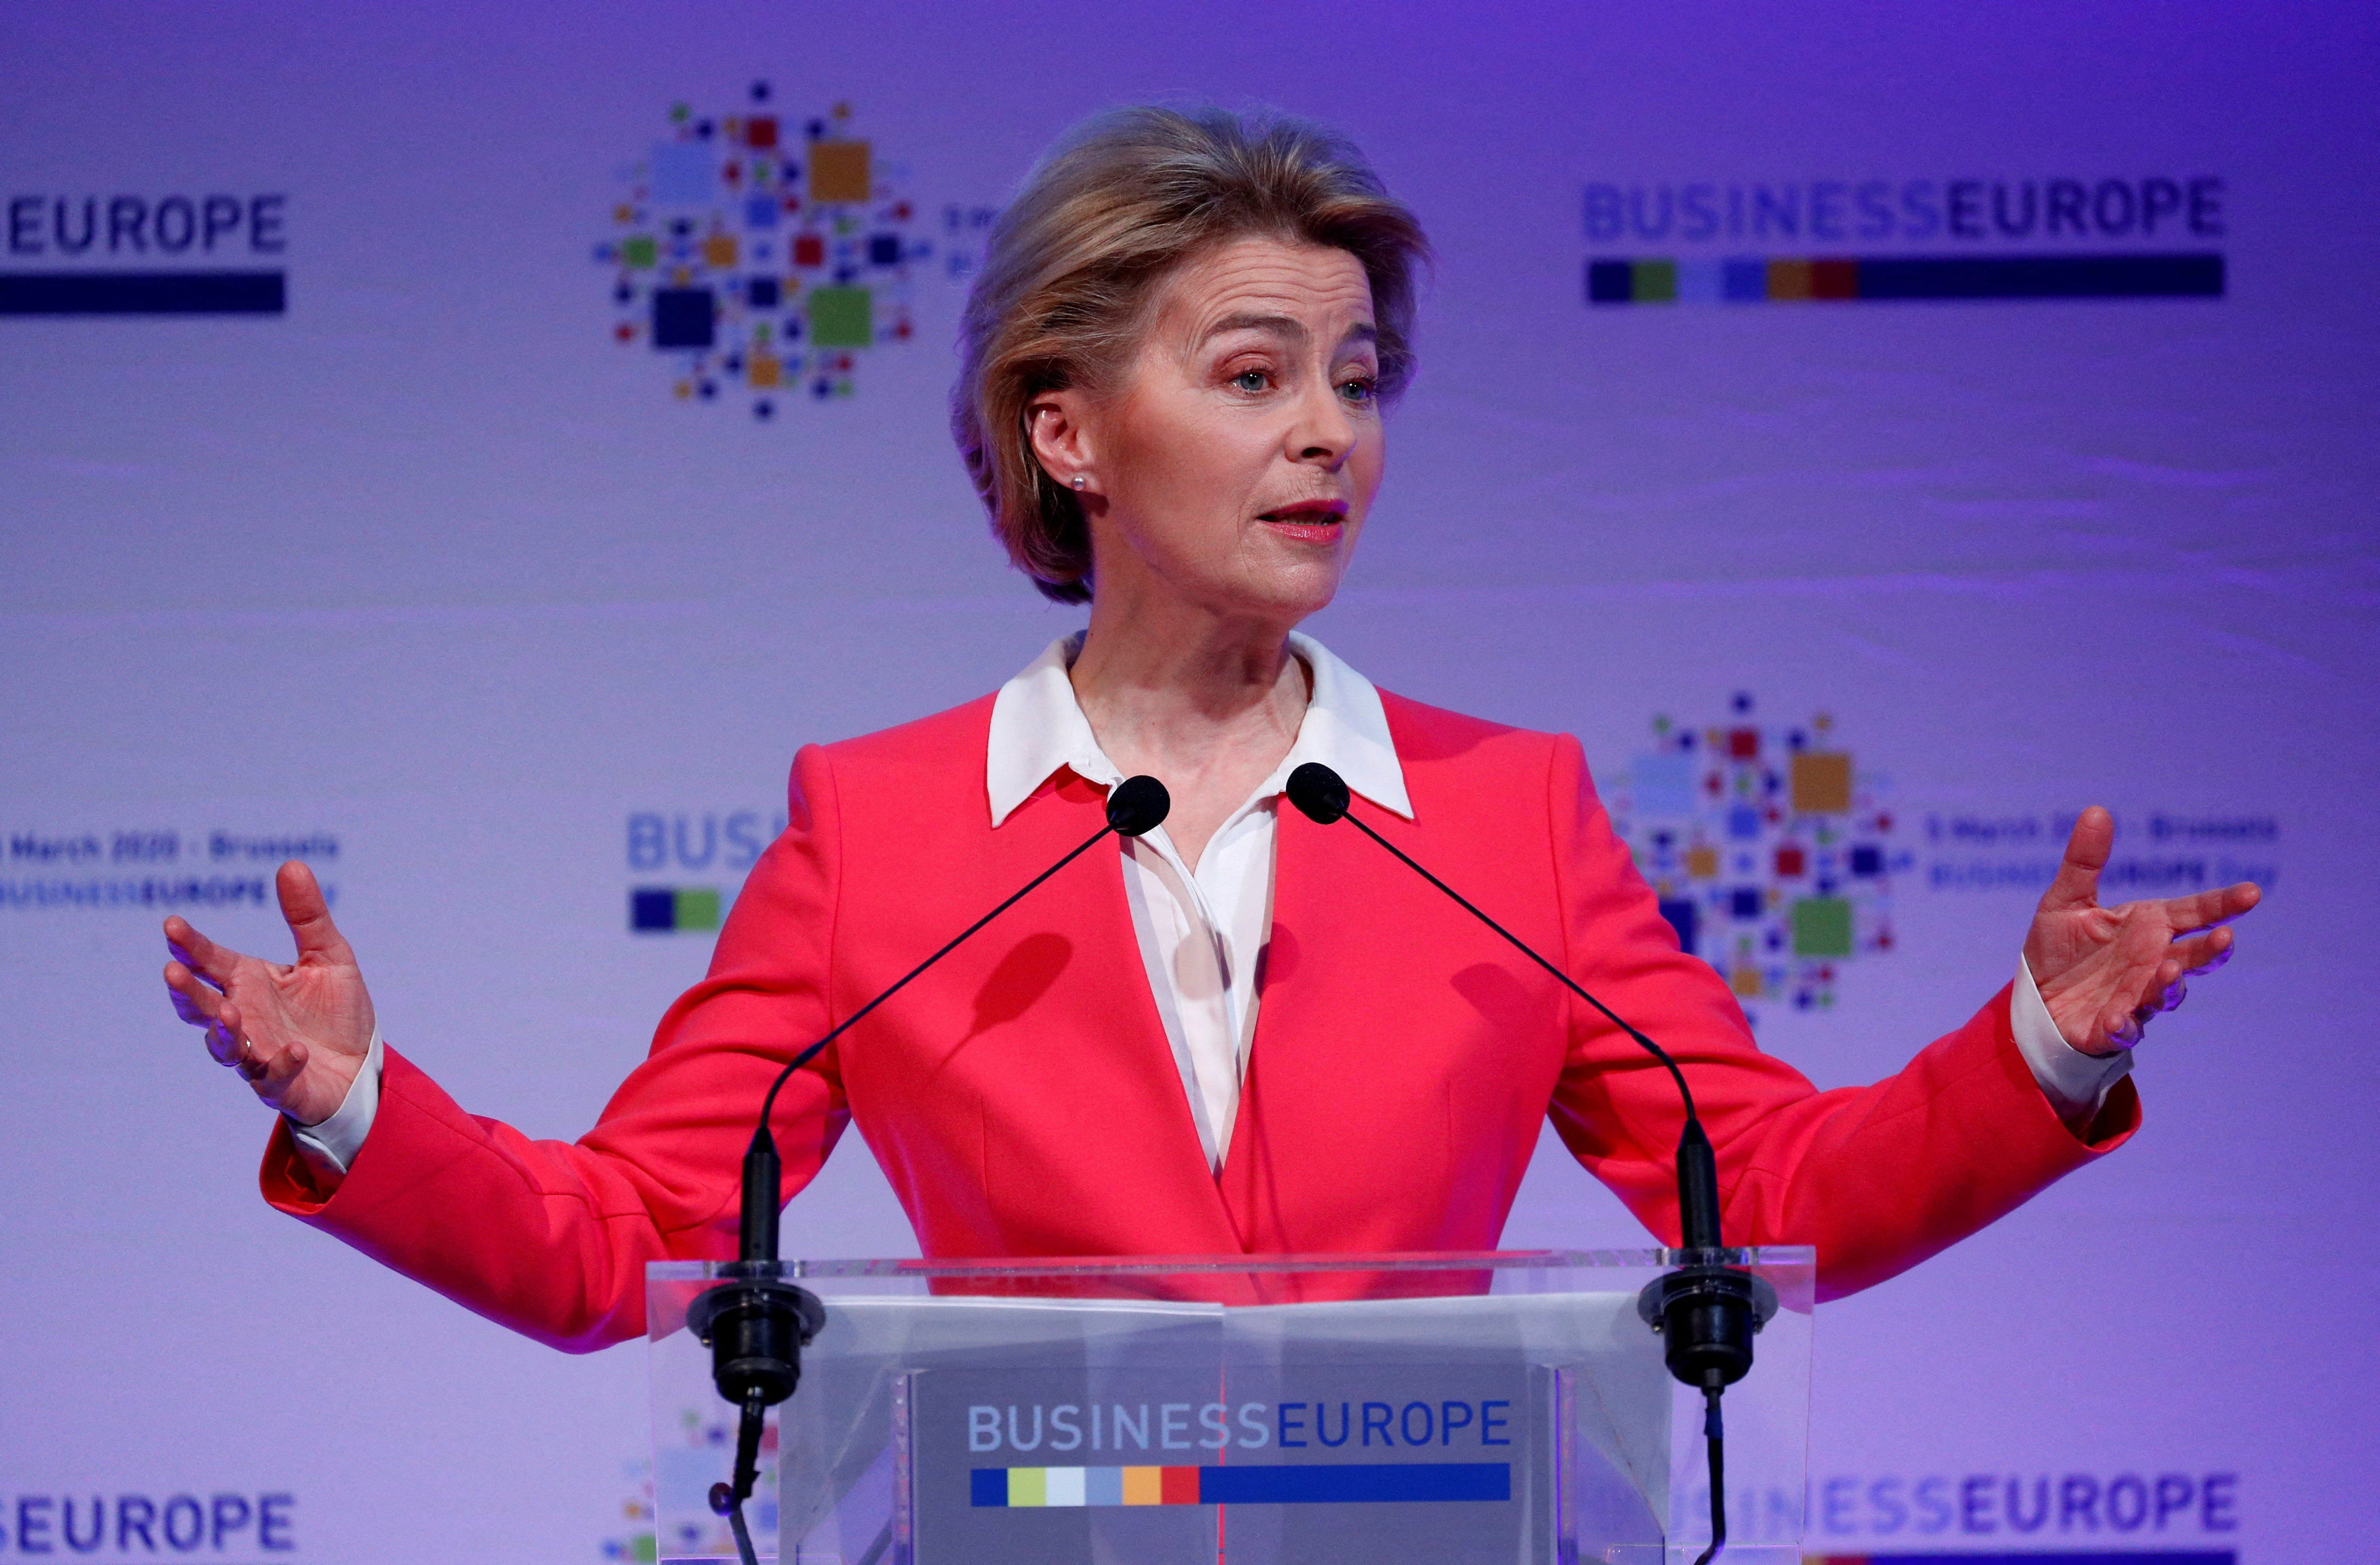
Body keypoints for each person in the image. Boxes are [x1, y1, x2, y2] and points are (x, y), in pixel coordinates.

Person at [160, 106, 2256, 1351]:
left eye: (1356, 375)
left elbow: (1774, 1183)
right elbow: (625, 1241)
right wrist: (361, 1101)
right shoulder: (880, 830)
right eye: (1255, 374)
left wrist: (2042, 1050)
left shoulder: (1501, 814)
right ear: (1067, 431)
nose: (1329, 430)